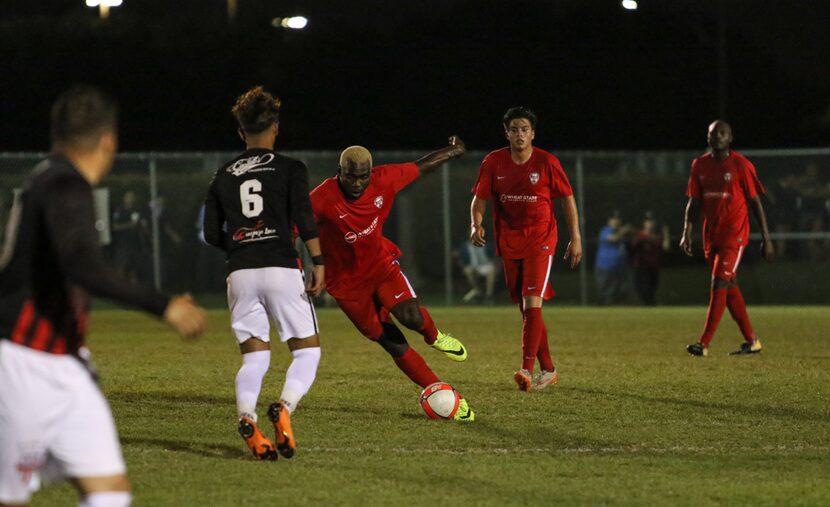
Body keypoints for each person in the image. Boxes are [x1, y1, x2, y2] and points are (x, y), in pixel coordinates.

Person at [0, 85, 206, 507]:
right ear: (108, 140)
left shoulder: (47, 178)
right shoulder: (64, 184)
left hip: (66, 366)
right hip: (24, 364)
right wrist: (163, 304)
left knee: (110, 493)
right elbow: (81, 264)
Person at [309, 138, 475, 421]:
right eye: (351, 176)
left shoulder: (384, 179)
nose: (358, 183)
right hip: (346, 285)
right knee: (392, 342)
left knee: (410, 316)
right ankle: (440, 392)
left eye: (363, 177)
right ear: (340, 172)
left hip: (380, 265)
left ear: (371, 174)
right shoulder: (321, 197)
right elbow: (297, 228)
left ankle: (435, 337)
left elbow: (420, 167)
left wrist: (453, 151)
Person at [203, 86, 324, 460]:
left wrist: (242, 247)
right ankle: (284, 407)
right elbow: (304, 218)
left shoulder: (222, 175)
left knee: (254, 359)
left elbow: (210, 233)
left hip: (240, 272)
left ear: (241, 132)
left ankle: (246, 417)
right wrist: (318, 262)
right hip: (281, 267)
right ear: (275, 126)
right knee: (307, 353)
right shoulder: (290, 168)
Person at [470, 106, 582, 392]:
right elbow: (480, 198)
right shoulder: (493, 162)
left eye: (524, 129)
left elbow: (567, 198)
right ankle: (549, 369)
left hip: (541, 239)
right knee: (525, 307)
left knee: (532, 301)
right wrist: (476, 224)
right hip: (509, 240)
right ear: (506, 133)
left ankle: (526, 369)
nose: (519, 134)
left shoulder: (547, 162)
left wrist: (576, 237)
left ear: (533, 133)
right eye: (514, 129)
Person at [681, 120, 774, 357]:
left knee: (719, 282)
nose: (717, 137)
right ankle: (752, 341)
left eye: (722, 133)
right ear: (708, 137)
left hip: (735, 235)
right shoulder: (699, 165)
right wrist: (686, 231)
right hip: (711, 235)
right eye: (713, 133)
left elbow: (755, 203)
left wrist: (766, 237)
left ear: (730, 138)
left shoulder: (741, 165)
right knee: (729, 285)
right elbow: (694, 201)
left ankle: (703, 343)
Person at [629, 212, 670, 305]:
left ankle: (650, 308)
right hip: (641, 268)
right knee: (645, 291)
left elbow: (666, 247)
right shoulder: (640, 235)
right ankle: (647, 307)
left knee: (652, 290)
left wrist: (666, 232)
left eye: (651, 221)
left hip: (653, 268)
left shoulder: (657, 236)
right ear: (644, 223)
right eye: (648, 221)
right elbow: (632, 247)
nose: (650, 223)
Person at [594, 211, 633, 305]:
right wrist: (623, 231)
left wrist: (628, 230)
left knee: (620, 291)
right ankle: (601, 310)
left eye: (618, 219)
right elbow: (612, 239)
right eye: (614, 219)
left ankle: (614, 310)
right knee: (605, 291)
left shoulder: (620, 232)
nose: (616, 221)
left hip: (618, 268)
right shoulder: (605, 230)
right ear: (609, 221)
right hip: (605, 267)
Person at [110, 190, 150, 282]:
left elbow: (144, 229)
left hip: (136, 246)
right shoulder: (120, 211)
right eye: (129, 197)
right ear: (124, 199)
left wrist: (144, 227)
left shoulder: (138, 211)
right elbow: (115, 227)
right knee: (121, 270)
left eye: (132, 197)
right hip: (123, 246)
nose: (131, 199)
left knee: (135, 271)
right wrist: (129, 225)